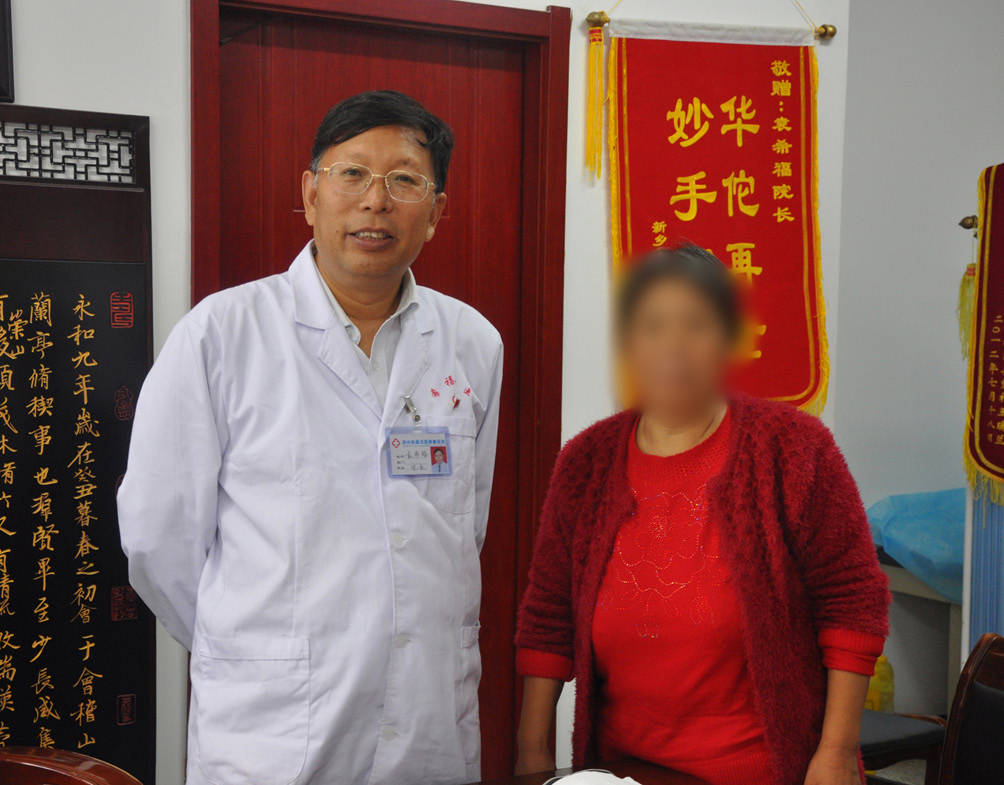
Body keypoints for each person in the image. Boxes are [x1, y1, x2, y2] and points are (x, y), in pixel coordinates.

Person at [118, 91, 503, 785]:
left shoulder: (473, 343)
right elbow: (157, 540)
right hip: (270, 738)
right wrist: (254, 646)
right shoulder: (222, 334)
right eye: (352, 173)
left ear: (436, 211)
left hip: (428, 725)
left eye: (404, 180)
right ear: (310, 193)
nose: (375, 201)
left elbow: (463, 529)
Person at [514, 244, 889, 785]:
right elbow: (548, 614)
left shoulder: (794, 449)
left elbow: (853, 603)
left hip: (764, 769)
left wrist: (835, 754)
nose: (674, 345)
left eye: (696, 323)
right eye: (653, 325)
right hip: (623, 770)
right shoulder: (585, 461)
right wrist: (532, 755)